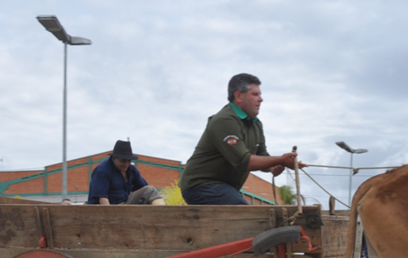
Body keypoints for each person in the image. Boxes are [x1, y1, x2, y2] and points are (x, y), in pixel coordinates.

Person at [179, 73, 305, 205]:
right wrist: (280, 159)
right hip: (200, 186)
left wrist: (273, 166)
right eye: (255, 94)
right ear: (238, 96)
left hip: (224, 188)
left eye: (260, 95)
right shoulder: (224, 120)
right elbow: (243, 161)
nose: (261, 99)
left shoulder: (256, 124)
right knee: (245, 214)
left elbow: (261, 155)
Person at [86, 140, 166, 205]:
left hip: (125, 205)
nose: (126, 164)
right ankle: (163, 214)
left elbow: (144, 189)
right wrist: (110, 218)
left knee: (149, 191)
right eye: (123, 161)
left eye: (129, 161)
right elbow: (103, 199)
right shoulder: (102, 171)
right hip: (107, 209)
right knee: (150, 190)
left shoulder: (131, 170)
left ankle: (163, 214)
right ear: (114, 158)